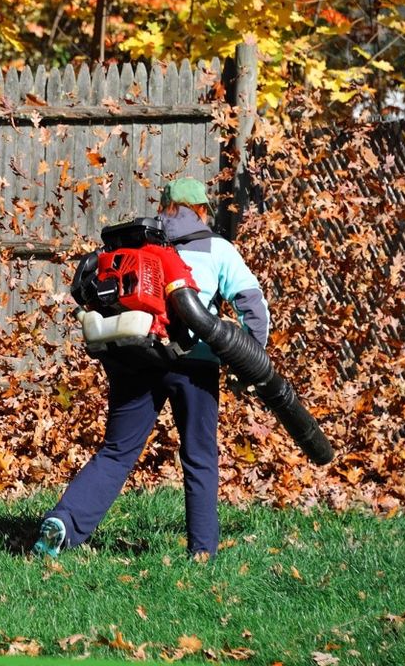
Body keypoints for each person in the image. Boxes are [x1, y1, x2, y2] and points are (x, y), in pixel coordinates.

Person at [34, 177, 270, 559]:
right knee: (199, 456)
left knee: (116, 451)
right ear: (203, 211)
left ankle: (65, 522)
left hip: (135, 356)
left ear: (163, 208)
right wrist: (252, 359)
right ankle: (202, 551)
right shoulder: (218, 249)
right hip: (195, 364)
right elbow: (251, 305)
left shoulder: (136, 245)